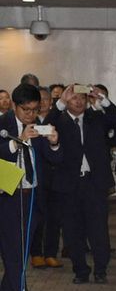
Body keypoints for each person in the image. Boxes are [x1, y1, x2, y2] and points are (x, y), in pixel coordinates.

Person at [0, 84, 61, 291]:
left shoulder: (39, 126)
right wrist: (18, 142)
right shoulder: (3, 125)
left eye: (35, 110)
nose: (30, 114)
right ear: (14, 106)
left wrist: (54, 142)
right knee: (13, 254)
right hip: (8, 199)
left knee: (21, 254)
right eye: (25, 109)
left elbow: (56, 158)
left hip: (34, 198)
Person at [49, 83, 116, 284]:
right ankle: (80, 270)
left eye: (81, 97)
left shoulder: (96, 118)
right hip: (69, 185)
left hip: (94, 183)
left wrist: (102, 98)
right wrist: (60, 103)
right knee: (72, 231)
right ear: (66, 100)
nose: (78, 101)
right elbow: (45, 124)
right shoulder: (60, 121)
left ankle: (100, 270)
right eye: (73, 98)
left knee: (98, 229)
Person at [29, 86, 64, 269]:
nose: (43, 103)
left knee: (54, 217)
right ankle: (36, 253)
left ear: (51, 102)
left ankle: (50, 253)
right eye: (39, 99)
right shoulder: (29, 123)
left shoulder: (58, 120)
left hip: (56, 177)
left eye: (46, 99)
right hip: (37, 177)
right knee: (38, 217)